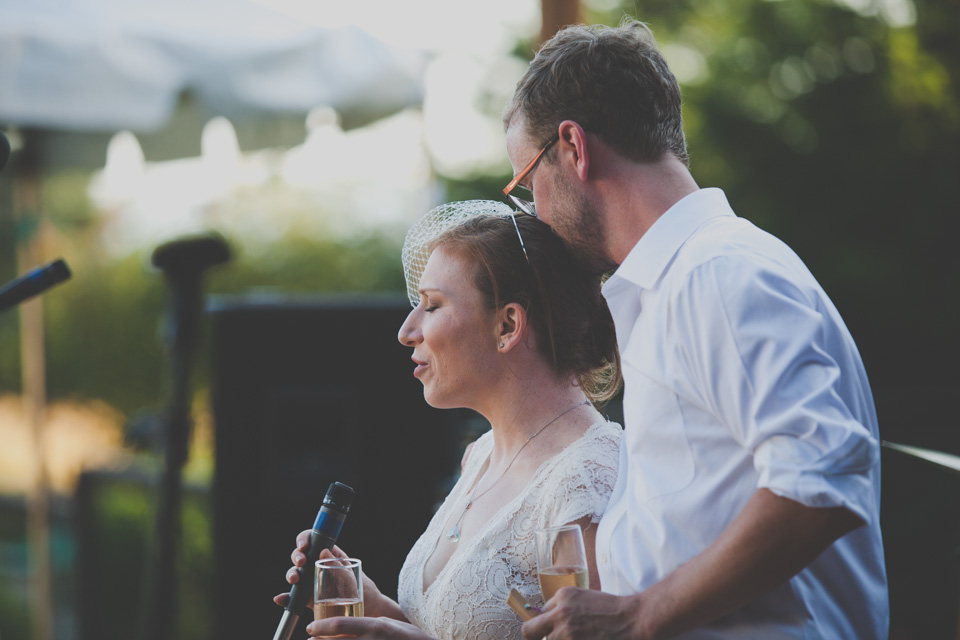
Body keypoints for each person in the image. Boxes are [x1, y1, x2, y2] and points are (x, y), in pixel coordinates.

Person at [500, 19, 888, 640]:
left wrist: (640, 615)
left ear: (573, 147)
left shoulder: (717, 274)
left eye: (527, 183)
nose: (536, 214)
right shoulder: (675, 285)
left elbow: (823, 475)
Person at [275, 200, 624, 640]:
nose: (406, 331)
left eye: (433, 305)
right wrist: (374, 607)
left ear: (508, 325)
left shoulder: (587, 481)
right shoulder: (480, 456)